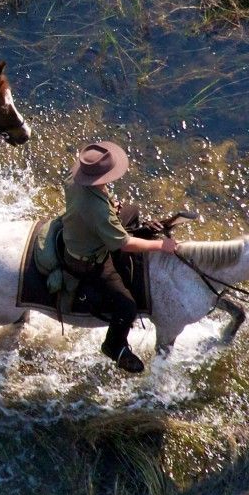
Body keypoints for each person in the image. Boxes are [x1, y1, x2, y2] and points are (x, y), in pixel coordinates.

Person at [61, 140, 178, 373]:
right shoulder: (98, 211)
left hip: (81, 226)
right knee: (127, 307)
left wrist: (112, 204)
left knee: (131, 211)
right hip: (89, 259)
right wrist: (161, 246)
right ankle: (114, 345)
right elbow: (124, 244)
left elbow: (98, 199)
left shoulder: (74, 177)